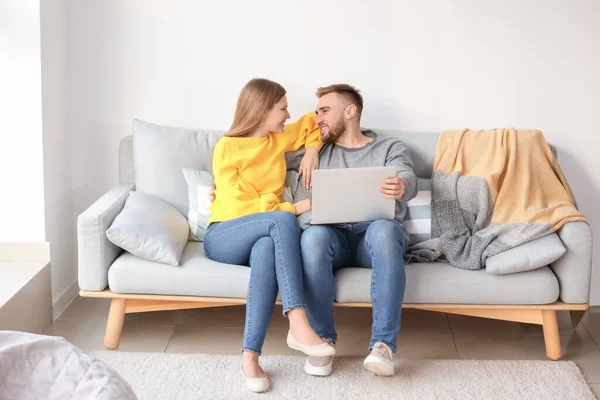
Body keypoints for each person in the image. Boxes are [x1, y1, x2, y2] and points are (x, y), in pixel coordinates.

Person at [203, 78, 335, 393]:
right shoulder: (227, 146)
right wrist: (290, 207)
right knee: (282, 220)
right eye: (282, 108)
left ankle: (250, 356)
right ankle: (298, 321)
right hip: (224, 234)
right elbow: (238, 205)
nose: (287, 114)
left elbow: (311, 125)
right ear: (262, 110)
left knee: (266, 249)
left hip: (258, 237)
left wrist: (312, 150)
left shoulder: (277, 140)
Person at [301, 84, 417, 377]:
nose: (318, 119)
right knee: (313, 236)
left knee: (385, 230)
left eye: (325, 111)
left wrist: (402, 186)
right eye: (317, 113)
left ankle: (382, 346)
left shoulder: (389, 147)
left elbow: (407, 177)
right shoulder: (317, 154)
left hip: (373, 240)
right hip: (333, 238)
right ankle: (322, 341)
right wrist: (312, 147)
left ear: (350, 111)